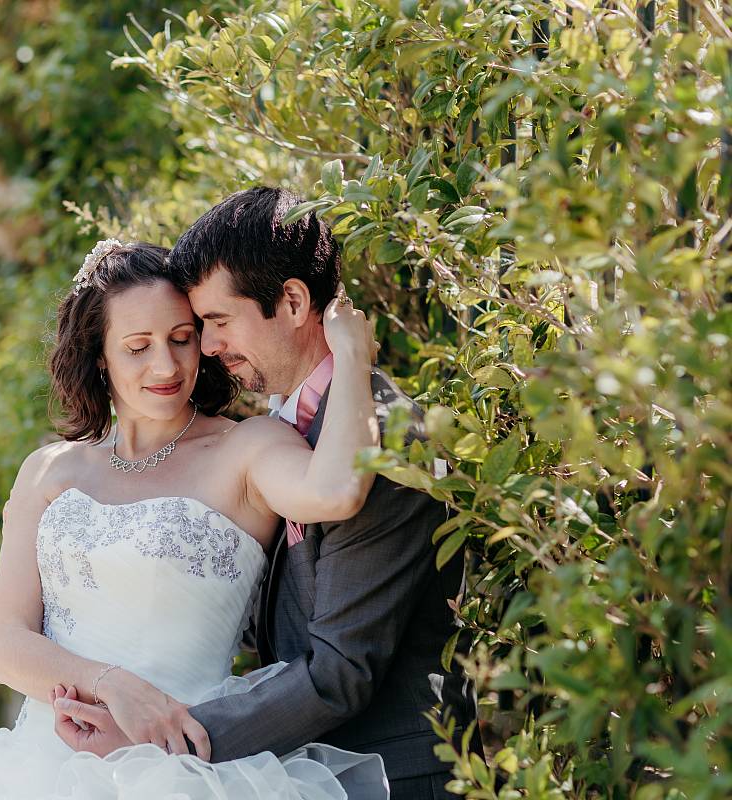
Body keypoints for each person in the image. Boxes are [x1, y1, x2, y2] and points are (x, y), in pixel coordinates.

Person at [0, 238, 388, 798]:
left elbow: (339, 490)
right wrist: (110, 685)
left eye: (181, 339)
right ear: (100, 355)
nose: (165, 366)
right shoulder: (49, 471)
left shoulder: (248, 449)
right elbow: (7, 647)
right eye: (137, 347)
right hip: (37, 769)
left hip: (183, 767)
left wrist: (352, 359)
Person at [52, 188, 478, 800]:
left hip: (395, 776)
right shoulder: (282, 434)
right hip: (304, 770)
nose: (210, 347)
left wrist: (161, 742)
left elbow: (339, 674)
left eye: (217, 322)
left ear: (294, 301)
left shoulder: (388, 439)